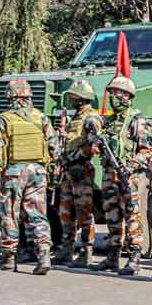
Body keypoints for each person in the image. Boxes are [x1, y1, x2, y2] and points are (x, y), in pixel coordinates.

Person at [92, 76, 152, 277]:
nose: (114, 97)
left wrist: (131, 165)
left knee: (132, 216)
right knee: (111, 215)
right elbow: (94, 133)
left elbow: (146, 150)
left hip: (129, 177)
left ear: (128, 96)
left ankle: (135, 257)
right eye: (112, 93)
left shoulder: (136, 120)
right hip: (110, 174)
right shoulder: (108, 121)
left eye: (118, 93)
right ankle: (112, 256)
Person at [0, 79, 56, 274]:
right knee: (38, 214)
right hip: (38, 171)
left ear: (10, 96)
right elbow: (54, 147)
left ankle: (9, 259)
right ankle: (44, 255)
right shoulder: (42, 118)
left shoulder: (4, 119)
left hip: (14, 172)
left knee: (10, 214)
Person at [53, 80, 101, 268]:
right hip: (69, 171)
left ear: (82, 98)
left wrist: (74, 155)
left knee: (84, 212)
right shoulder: (76, 117)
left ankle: (86, 251)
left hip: (81, 169)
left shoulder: (91, 118)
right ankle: (66, 249)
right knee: (65, 211)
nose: (71, 99)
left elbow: (95, 145)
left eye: (73, 96)